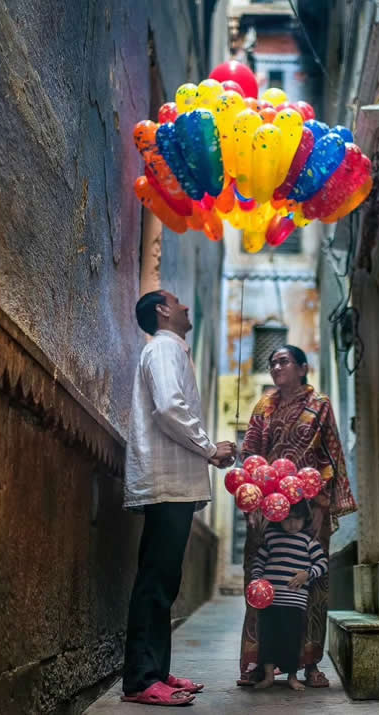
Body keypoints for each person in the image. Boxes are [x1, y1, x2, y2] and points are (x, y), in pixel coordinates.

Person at [121, 290, 236, 706]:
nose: (187, 306)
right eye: (177, 301)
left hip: (175, 485)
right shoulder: (164, 349)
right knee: (155, 582)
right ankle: (140, 680)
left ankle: (154, 669)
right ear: (162, 311)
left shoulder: (172, 350)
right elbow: (170, 408)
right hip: (166, 483)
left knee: (163, 581)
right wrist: (209, 448)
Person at [238, 345, 357, 688]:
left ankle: (310, 664)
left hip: (308, 510)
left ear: (303, 368)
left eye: (284, 361)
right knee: (260, 581)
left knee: (313, 586)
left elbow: (330, 457)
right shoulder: (264, 407)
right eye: (273, 362)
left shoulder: (319, 405)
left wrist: (322, 506)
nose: (276, 366)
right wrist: (251, 504)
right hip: (267, 508)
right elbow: (250, 457)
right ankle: (257, 662)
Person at [249, 500, 328, 691]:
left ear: (305, 519)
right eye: (288, 519)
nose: (292, 524)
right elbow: (259, 561)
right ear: (279, 518)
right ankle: (268, 676)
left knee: (292, 641)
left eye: (297, 519)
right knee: (268, 638)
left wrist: (307, 574)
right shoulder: (271, 537)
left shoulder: (308, 541)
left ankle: (292, 677)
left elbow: (323, 564)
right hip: (270, 602)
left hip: (295, 602)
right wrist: (257, 579)